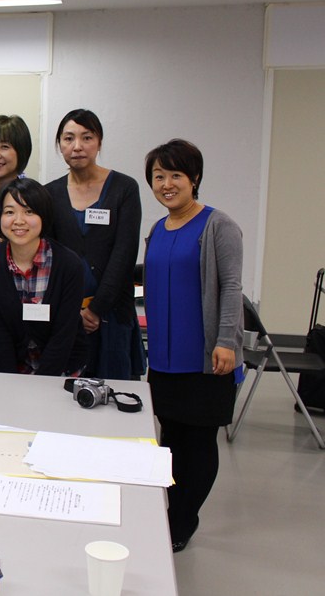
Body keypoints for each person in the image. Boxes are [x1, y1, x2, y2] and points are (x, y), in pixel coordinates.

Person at [143, 139, 243, 553]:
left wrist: (225, 341)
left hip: (205, 361)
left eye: (176, 175)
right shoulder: (157, 229)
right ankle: (169, 511)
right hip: (164, 359)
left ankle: (184, 520)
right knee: (169, 441)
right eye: (159, 176)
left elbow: (233, 287)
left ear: (194, 178)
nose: (167, 184)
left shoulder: (219, 225)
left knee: (199, 446)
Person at [46, 109, 144, 380]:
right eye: (68, 138)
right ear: (59, 145)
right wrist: (75, 311)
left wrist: (95, 309)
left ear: (99, 142)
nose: (77, 146)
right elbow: (50, 257)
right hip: (67, 314)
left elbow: (124, 254)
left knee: (114, 395)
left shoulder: (124, 188)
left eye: (86, 137)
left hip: (112, 310)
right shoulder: (50, 193)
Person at [0, 178, 88, 376]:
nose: (19, 220)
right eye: (9, 212)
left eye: (29, 211)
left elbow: (64, 334)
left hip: (63, 370)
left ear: (44, 215)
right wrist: (12, 381)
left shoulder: (69, 265)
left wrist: (41, 384)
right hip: (11, 371)